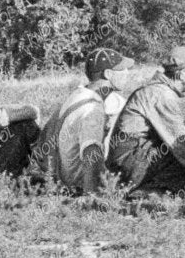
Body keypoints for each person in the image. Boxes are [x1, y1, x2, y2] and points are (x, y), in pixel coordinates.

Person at [107, 47, 185, 196]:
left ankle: (154, 189)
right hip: (128, 163)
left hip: (129, 160)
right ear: (182, 73)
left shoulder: (159, 91)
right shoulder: (161, 95)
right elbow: (183, 144)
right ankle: (155, 190)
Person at [29, 49, 128, 196]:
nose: (127, 72)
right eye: (122, 69)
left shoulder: (79, 94)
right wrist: (93, 194)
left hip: (63, 173)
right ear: (108, 74)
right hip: (79, 181)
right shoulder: (92, 109)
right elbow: (91, 151)